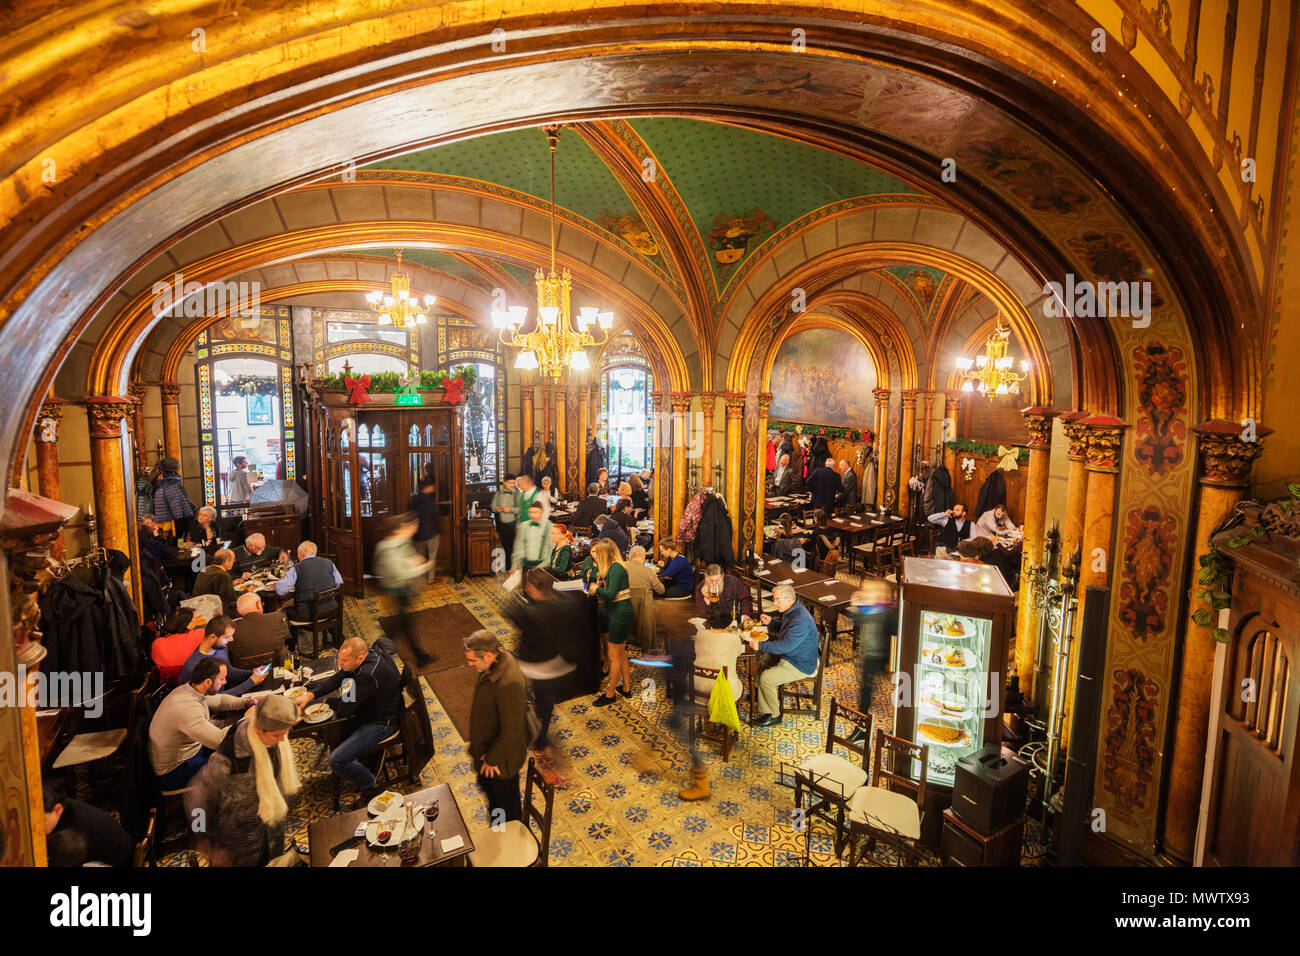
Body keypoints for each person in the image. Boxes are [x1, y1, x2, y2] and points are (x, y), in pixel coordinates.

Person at [187, 693, 302, 866]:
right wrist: (204, 842)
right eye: (277, 735)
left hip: (270, 830)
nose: (281, 741)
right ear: (259, 730)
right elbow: (197, 797)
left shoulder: (272, 738)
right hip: (237, 843)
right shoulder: (229, 757)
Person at [296, 636, 404, 799]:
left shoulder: (367, 675)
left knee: (336, 760)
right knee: (333, 732)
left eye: (344, 660)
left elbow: (345, 709)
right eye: (339, 659)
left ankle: (371, 785)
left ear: (360, 658)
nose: (340, 663)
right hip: (369, 712)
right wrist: (310, 695)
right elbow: (338, 678)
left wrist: (328, 702)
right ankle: (359, 763)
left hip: (383, 723)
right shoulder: (364, 659)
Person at [505, 569, 589, 776]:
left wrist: (511, 584)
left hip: (535, 666)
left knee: (535, 704)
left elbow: (508, 611)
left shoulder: (531, 613)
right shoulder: (566, 605)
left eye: (528, 587)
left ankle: (540, 741)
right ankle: (541, 737)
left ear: (534, 589)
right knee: (546, 703)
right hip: (557, 664)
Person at [149, 657, 244, 788]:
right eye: (222, 679)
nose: (225, 682)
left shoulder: (189, 689)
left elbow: (219, 700)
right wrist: (246, 719)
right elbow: (218, 740)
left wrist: (246, 702)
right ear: (207, 682)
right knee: (239, 763)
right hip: (176, 771)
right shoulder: (187, 708)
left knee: (237, 747)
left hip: (191, 752)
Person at [464, 629, 529, 823]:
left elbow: (512, 729)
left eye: (473, 660)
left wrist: (492, 759)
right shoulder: (491, 667)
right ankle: (498, 834)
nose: (469, 664)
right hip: (487, 754)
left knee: (504, 810)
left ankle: (507, 843)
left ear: (490, 655)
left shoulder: (509, 683)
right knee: (494, 802)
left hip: (501, 764)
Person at [745, 583, 820, 727]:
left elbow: (785, 646)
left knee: (767, 678)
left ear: (789, 599)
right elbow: (786, 629)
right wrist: (772, 623)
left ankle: (774, 715)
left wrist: (759, 645)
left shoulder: (800, 619)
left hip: (800, 663)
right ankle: (760, 695)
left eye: (777, 599)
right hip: (792, 655)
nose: (775, 603)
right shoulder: (792, 610)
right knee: (763, 660)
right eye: (775, 599)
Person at [374, 513, 434, 666]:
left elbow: (409, 557)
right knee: (405, 625)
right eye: (411, 526)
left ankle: (381, 651)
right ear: (400, 529)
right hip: (396, 589)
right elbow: (401, 573)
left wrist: (415, 560)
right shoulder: (388, 548)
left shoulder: (402, 543)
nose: (414, 528)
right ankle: (419, 657)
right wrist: (424, 567)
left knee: (402, 625)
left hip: (404, 589)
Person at [43, 781, 134, 868]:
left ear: (57, 809)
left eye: (43, 820)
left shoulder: (74, 829)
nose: (37, 827)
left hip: (119, 862)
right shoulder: (64, 806)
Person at [590, 539, 635, 707]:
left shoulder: (615, 568)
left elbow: (610, 594)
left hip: (620, 614)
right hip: (620, 612)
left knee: (613, 656)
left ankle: (610, 694)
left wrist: (597, 588)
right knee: (621, 653)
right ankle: (626, 688)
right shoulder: (615, 567)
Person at [178, 615, 267, 696]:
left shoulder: (221, 647)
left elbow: (229, 671)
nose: (232, 640)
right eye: (227, 637)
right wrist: (250, 682)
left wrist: (252, 673)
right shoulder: (194, 667)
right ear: (213, 637)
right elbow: (211, 700)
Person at [847, 578, 896, 707]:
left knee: (867, 686)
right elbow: (857, 619)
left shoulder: (882, 612)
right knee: (867, 684)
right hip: (872, 653)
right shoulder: (874, 610)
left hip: (875, 654)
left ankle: (862, 715)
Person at [273, 540, 343, 621]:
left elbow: (281, 591)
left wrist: (281, 580)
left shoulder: (297, 568)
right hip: (330, 608)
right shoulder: (329, 563)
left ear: (301, 554)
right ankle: (334, 631)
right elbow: (340, 584)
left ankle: (289, 633)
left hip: (307, 613)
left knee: (282, 612)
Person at [230, 592, 290, 667]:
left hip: (244, 670)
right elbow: (286, 637)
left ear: (238, 610)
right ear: (258, 604)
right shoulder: (278, 617)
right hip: (279, 665)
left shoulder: (229, 627)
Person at [150, 607, 206, 682]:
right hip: (196, 683)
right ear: (188, 624)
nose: (197, 619)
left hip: (168, 687)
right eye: (195, 618)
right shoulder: (200, 635)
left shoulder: (157, 644)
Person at [408, 474, 441, 583]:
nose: (433, 488)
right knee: (432, 557)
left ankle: (420, 578)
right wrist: (438, 529)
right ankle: (431, 578)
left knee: (420, 556)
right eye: (432, 486)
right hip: (431, 532)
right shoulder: (429, 501)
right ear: (427, 488)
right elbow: (434, 516)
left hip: (417, 533)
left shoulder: (413, 500)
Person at [152, 457, 197, 529]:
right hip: (173, 523)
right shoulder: (171, 484)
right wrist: (190, 514)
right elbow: (176, 507)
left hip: (163, 521)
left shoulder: (160, 484)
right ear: (174, 471)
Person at [511, 498, 554, 572]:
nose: (533, 515)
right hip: (525, 565)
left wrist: (541, 567)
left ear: (542, 512)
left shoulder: (549, 526)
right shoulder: (523, 526)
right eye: (531, 512)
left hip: (543, 567)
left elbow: (551, 551)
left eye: (536, 512)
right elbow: (518, 548)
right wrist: (514, 566)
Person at [194, 548, 239, 615]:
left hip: (199, 606)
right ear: (225, 562)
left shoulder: (205, 570)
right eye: (233, 560)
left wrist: (231, 584)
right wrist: (247, 591)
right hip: (216, 611)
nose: (233, 562)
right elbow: (230, 600)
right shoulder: (223, 575)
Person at [492, 475, 521, 560]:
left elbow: (520, 509)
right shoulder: (499, 493)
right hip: (502, 525)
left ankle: (512, 568)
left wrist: (510, 509)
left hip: (513, 525)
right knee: (505, 546)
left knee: (512, 548)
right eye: (509, 483)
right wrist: (497, 509)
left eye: (513, 483)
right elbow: (493, 506)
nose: (512, 485)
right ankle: (508, 567)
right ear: (504, 483)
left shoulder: (517, 494)